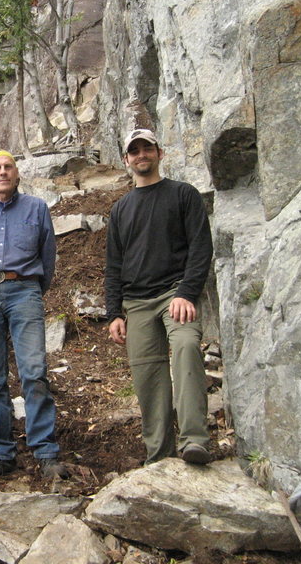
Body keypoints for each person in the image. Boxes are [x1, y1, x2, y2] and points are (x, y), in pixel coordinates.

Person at [105, 128, 214, 466]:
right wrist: (114, 314)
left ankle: (194, 441)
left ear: (160, 153)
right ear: (126, 160)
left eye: (147, 148)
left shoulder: (183, 195)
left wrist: (186, 293)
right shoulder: (120, 209)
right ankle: (159, 454)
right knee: (147, 375)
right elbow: (114, 266)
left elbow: (201, 248)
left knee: (184, 348)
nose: (141, 155)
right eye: (134, 151)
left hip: (175, 295)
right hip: (136, 304)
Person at [0, 150, 69, 480]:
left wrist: (32, 288)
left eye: (8, 167)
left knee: (34, 371)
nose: (3, 172)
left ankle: (45, 451)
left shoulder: (36, 208)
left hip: (25, 292)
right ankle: (1, 453)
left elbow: (48, 257)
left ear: (17, 174)